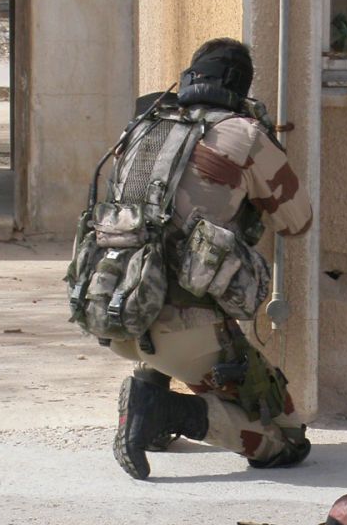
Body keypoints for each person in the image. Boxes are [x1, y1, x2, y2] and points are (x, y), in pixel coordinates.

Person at [108, 38, 313, 480]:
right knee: (287, 439)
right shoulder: (244, 134)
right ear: (241, 87)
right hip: (186, 332)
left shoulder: (142, 126)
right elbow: (297, 222)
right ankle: (162, 410)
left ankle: (149, 388)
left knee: (162, 248)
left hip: (118, 315)